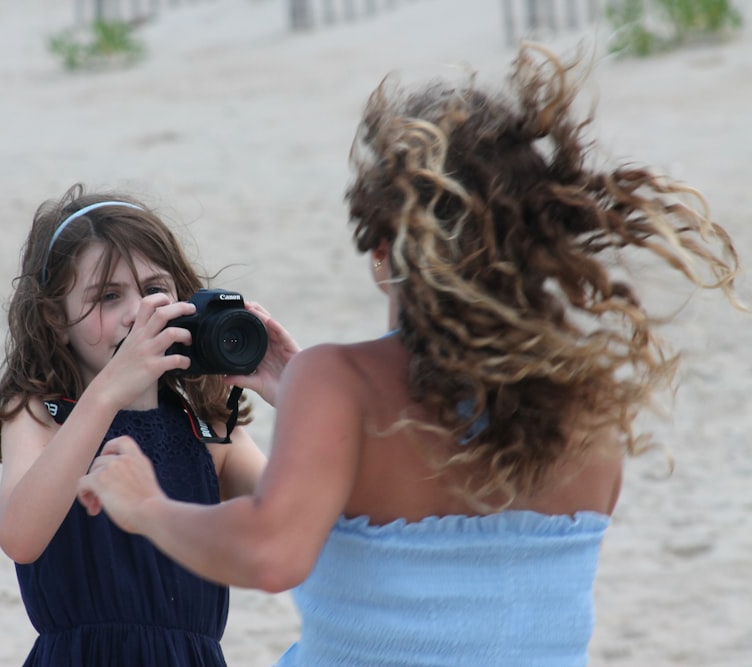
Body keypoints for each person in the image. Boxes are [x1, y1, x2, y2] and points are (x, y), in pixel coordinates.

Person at [75, 43, 746, 666]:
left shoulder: (340, 382)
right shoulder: (589, 408)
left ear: (381, 250)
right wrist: (303, 392)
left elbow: (271, 553)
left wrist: (146, 505)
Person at [0, 183, 298, 666]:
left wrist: (297, 394)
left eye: (154, 290)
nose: (138, 313)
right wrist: (108, 392)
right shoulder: (41, 413)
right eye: (108, 296)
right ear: (54, 318)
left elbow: (301, 525)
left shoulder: (207, 428)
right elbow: (20, 538)